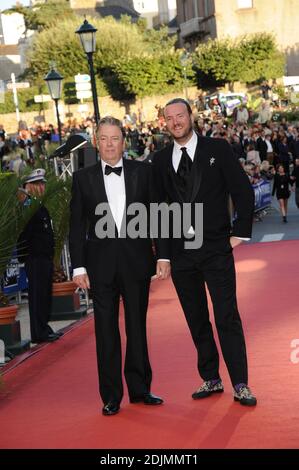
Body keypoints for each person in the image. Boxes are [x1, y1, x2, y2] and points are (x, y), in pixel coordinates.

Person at [152, 98, 257, 407]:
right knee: (196, 318)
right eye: (169, 118)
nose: (175, 122)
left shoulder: (218, 149)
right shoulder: (159, 161)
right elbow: (158, 210)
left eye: (180, 115)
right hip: (182, 255)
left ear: (190, 117)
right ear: (165, 123)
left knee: (226, 316)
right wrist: (163, 255)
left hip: (215, 249)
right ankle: (210, 377)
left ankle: (241, 383)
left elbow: (242, 191)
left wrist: (240, 233)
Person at [69, 116, 163, 416]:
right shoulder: (83, 178)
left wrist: (163, 255)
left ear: (124, 141)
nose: (110, 144)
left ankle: (140, 389)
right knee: (106, 332)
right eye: (104, 138)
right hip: (100, 266)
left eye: (115, 138)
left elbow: (158, 217)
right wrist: (78, 267)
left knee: (137, 327)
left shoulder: (143, 172)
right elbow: (76, 227)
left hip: (137, 263)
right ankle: (111, 396)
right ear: (97, 142)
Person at [18, 169, 62, 343]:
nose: (42, 187)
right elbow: (24, 234)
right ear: (28, 186)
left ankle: (44, 327)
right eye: (38, 184)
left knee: (44, 294)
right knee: (37, 295)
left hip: (44, 257)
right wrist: (26, 256)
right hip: (35, 258)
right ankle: (39, 332)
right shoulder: (28, 206)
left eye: (43, 183)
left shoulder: (39, 205)